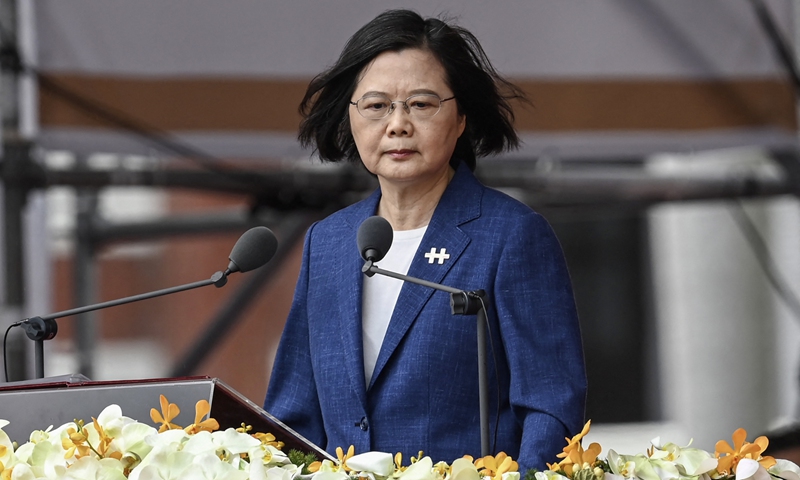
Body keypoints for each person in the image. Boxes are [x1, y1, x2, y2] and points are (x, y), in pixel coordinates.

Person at [263, 9, 586, 471]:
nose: (397, 125)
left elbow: (550, 406)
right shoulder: (329, 242)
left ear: (460, 119)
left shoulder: (511, 235)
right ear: (349, 119)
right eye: (376, 106)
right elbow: (292, 416)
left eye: (421, 104)